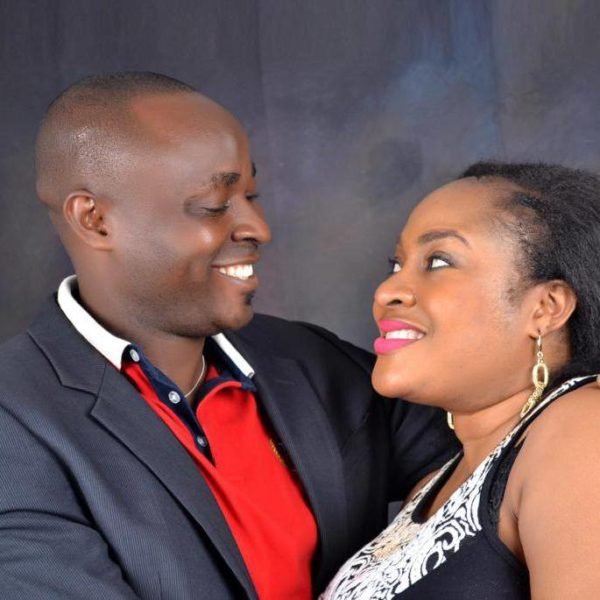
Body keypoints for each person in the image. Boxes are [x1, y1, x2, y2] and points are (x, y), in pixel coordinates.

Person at [0, 72, 455, 599]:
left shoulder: (310, 359)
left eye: (251, 196)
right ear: (95, 219)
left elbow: (489, 446)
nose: (258, 228)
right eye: (214, 205)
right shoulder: (15, 423)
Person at [322, 162, 600, 599]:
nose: (387, 291)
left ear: (546, 307)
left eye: (438, 261)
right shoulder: (435, 486)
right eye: (397, 264)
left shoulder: (582, 431)